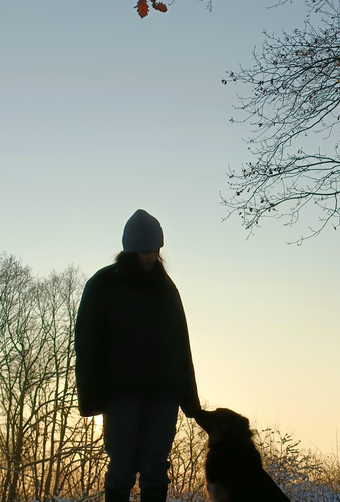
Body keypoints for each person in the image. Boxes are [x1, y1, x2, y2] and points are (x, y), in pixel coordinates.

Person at [74, 209, 201, 502]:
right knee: (122, 466)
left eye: (155, 250)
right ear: (130, 250)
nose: (151, 256)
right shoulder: (103, 285)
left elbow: (181, 344)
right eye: (145, 250)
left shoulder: (165, 288)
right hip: (121, 393)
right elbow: (87, 342)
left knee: (155, 466)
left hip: (163, 392)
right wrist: (90, 396)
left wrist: (189, 400)